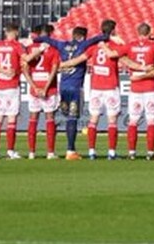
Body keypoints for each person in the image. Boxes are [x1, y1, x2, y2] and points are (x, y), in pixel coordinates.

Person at [34, 20, 115, 160]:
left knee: (66, 117)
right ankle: (70, 150)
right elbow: (100, 38)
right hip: (76, 87)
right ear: (83, 36)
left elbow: (46, 39)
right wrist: (108, 35)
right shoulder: (83, 45)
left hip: (63, 87)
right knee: (72, 119)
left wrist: (36, 39)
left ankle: (65, 148)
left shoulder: (62, 45)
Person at [122, 23, 154, 160]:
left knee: (133, 120)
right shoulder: (153, 45)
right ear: (149, 32)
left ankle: (132, 153)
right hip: (150, 86)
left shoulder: (130, 45)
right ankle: (150, 153)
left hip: (135, 87)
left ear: (137, 32)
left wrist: (135, 66)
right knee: (151, 120)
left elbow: (120, 57)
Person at [23, 25, 61, 160]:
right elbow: (54, 70)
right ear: (49, 34)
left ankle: (31, 152)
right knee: (49, 118)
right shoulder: (53, 49)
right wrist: (45, 88)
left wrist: (33, 86)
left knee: (33, 119)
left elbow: (25, 69)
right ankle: (50, 153)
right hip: (48, 89)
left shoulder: (30, 48)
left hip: (35, 88)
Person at [0, 24, 26, 159]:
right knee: (11, 119)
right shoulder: (17, 46)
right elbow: (25, 59)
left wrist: (1, 70)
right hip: (11, 85)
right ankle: (10, 151)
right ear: (14, 32)